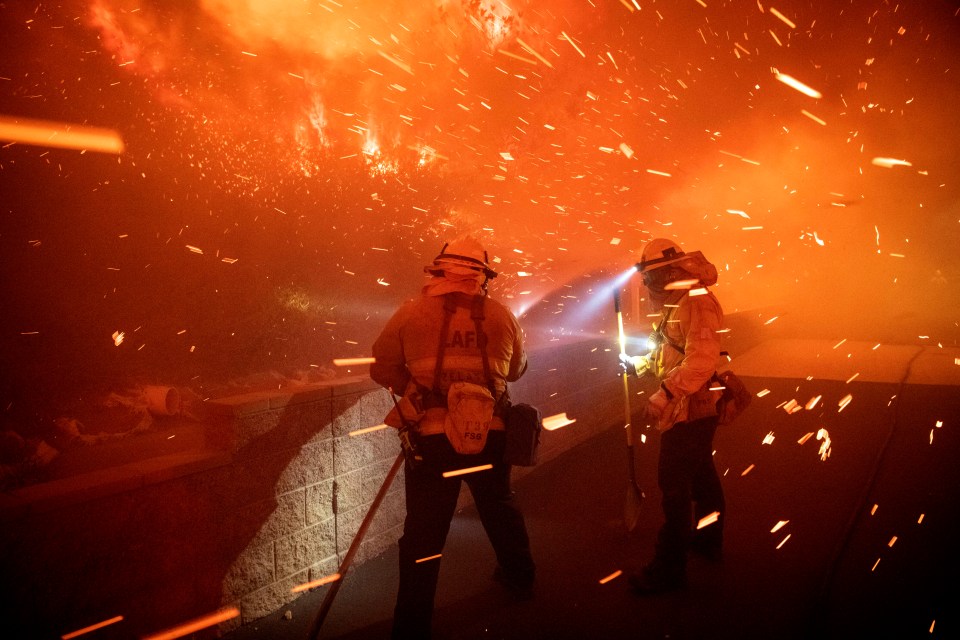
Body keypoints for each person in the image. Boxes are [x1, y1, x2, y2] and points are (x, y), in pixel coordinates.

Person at [370, 235, 535, 639]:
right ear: (481, 276)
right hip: (490, 435)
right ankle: (520, 577)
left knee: (425, 532)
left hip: (432, 441)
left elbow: (382, 368)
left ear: (440, 270)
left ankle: (411, 626)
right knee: (499, 506)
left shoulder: (409, 314)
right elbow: (515, 372)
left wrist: (418, 388)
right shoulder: (502, 316)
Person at [620, 237, 726, 595]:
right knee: (702, 476)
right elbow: (671, 350)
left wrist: (665, 393)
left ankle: (668, 570)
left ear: (668, 271)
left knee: (675, 486)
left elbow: (701, 360)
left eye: (651, 277)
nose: (648, 286)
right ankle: (709, 541)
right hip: (694, 404)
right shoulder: (679, 300)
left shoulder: (696, 301)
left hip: (693, 406)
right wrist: (638, 364)